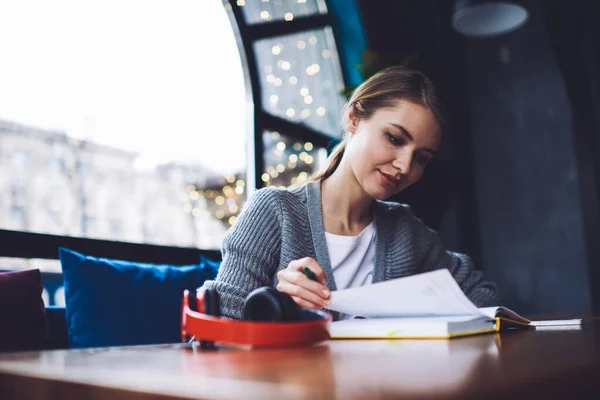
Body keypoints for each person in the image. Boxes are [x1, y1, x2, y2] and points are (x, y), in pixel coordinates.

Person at [203, 66, 500, 320]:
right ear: (354, 118)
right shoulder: (274, 213)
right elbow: (212, 334)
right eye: (394, 138)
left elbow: (483, 299)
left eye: (421, 158)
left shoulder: (406, 232)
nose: (405, 165)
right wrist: (277, 309)